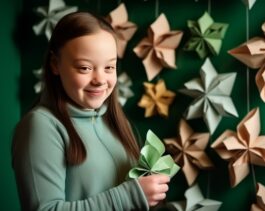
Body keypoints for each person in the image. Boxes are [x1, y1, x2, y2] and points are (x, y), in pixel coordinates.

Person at [12, 11, 170, 211]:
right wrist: (130, 195)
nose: (100, 80)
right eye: (85, 68)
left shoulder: (114, 121)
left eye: (109, 67)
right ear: (55, 64)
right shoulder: (41, 125)